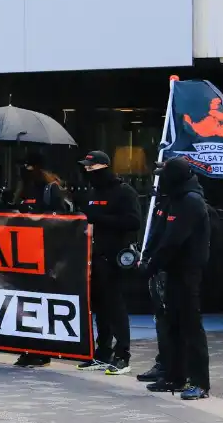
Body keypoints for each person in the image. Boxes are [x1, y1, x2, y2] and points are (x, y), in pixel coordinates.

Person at [142, 156, 211, 400]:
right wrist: (149, 259)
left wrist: (152, 265)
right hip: (172, 270)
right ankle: (175, 376)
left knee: (191, 327)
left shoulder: (191, 202)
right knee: (172, 326)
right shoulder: (174, 198)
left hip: (187, 272)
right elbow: (159, 234)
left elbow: (173, 240)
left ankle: (200, 382)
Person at [74, 151, 142, 376]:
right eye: (85, 168)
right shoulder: (93, 191)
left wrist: (98, 218)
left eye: (91, 168)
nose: (87, 172)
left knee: (116, 307)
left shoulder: (124, 192)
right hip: (93, 257)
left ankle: (123, 355)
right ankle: (102, 353)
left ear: (104, 166)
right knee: (99, 308)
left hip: (114, 258)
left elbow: (133, 222)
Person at [13, 153, 69, 368]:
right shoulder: (23, 189)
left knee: (40, 302)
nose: (25, 171)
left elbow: (60, 217)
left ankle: (42, 351)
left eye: (28, 167)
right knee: (24, 303)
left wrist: (38, 216)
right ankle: (27, 349)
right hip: (24, 252)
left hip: (44, 253)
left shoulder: (50, 189)